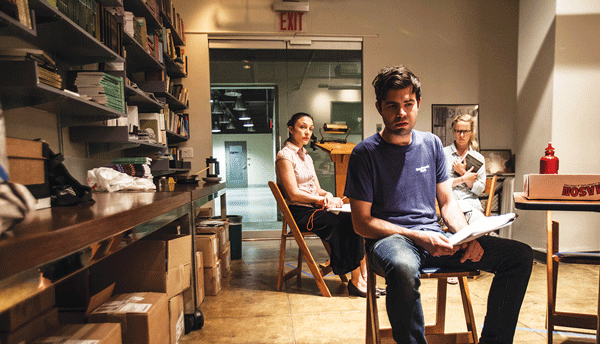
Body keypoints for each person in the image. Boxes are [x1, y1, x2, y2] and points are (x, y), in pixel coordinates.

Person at [344, 66, 533, 344]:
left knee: (519, 257)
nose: (401, 113)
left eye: (408, 104)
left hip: (437, 237)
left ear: (418, 103)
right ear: (379, 107)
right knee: (402, 267)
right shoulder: (365, 153)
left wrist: (469, 236)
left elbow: (447, 203)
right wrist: (418, 236)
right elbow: (361, 221)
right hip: (391, 241)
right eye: (392, 106)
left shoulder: (431, 144)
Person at [276, 112, 371, 297]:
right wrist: (320, 200)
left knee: (355, 219)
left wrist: (328, 195)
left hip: (313, 208)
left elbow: (318, 189)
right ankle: (356, 280)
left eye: (310, 129)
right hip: (299, 212)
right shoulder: (284, 156)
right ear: (290, 129)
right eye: (302, 127)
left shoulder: (307, 157)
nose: (307, 132)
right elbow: (293, 194)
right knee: (344, 224)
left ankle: (363, 277)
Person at [443, 114, 487, 224]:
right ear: (453, 132)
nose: (461, 135)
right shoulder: (443, 154)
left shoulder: (478, 158)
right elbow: (439, 185)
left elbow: (480, 190)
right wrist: (464, 178)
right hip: (450, 204)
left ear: (471, 132)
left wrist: (462, 172)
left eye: (465, 131)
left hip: (472, 206)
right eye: (458, 131)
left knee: (477, 222)